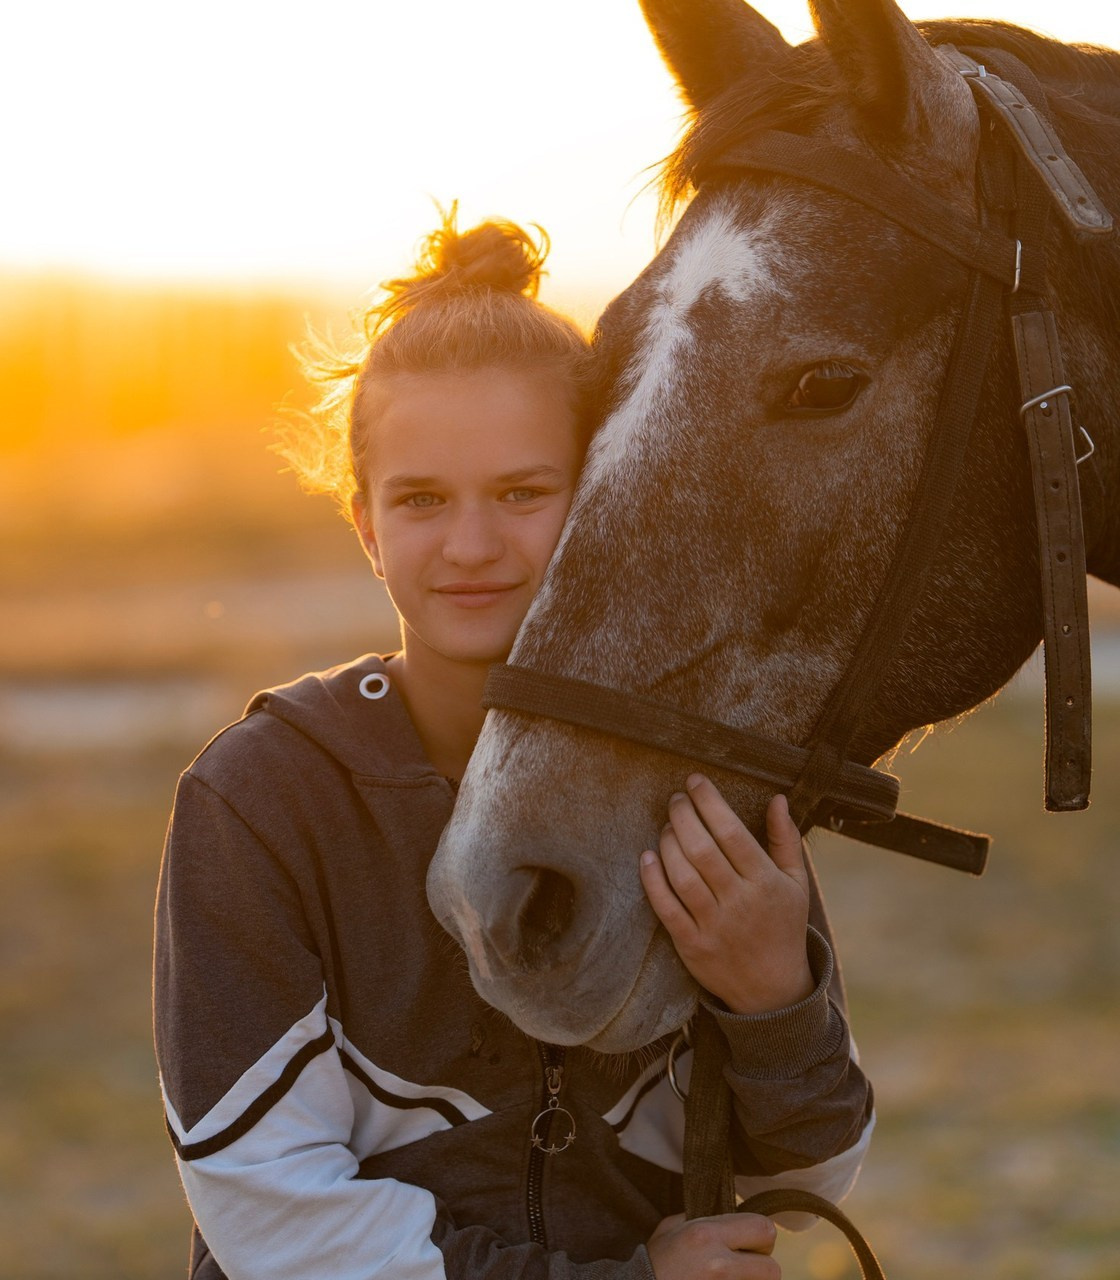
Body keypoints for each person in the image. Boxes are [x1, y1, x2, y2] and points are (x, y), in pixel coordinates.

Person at [153, 210, 874, 1280]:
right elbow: (270, 1210)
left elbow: (813, 1170)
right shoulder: (261, 798)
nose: (473, 545)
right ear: (365, 525)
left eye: (523, 493)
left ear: (598, 499)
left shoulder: (694, 777)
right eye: (422, 501)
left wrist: (771, 999)